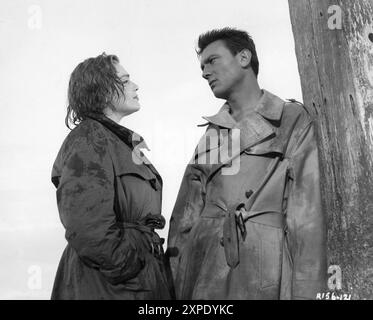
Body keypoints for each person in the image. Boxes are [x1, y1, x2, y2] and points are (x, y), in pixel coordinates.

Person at [167, 28, 327, 299]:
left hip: (263, 265)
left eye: (212, 60)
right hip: (204, 270)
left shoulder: (290, 119)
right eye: (202, 66)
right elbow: (185, 219)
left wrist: (307, 292)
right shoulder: (212, 132)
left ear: (243, 58)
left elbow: (306, 218)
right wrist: (171, 287)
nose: (205, 72)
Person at [51, 53, 173, 299]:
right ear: (104, 89)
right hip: (107, 286)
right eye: (126, 80)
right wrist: (126, 266)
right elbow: (87, 226)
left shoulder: (116, 141)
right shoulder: (90, 139)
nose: (135, 85)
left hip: (133, 282)